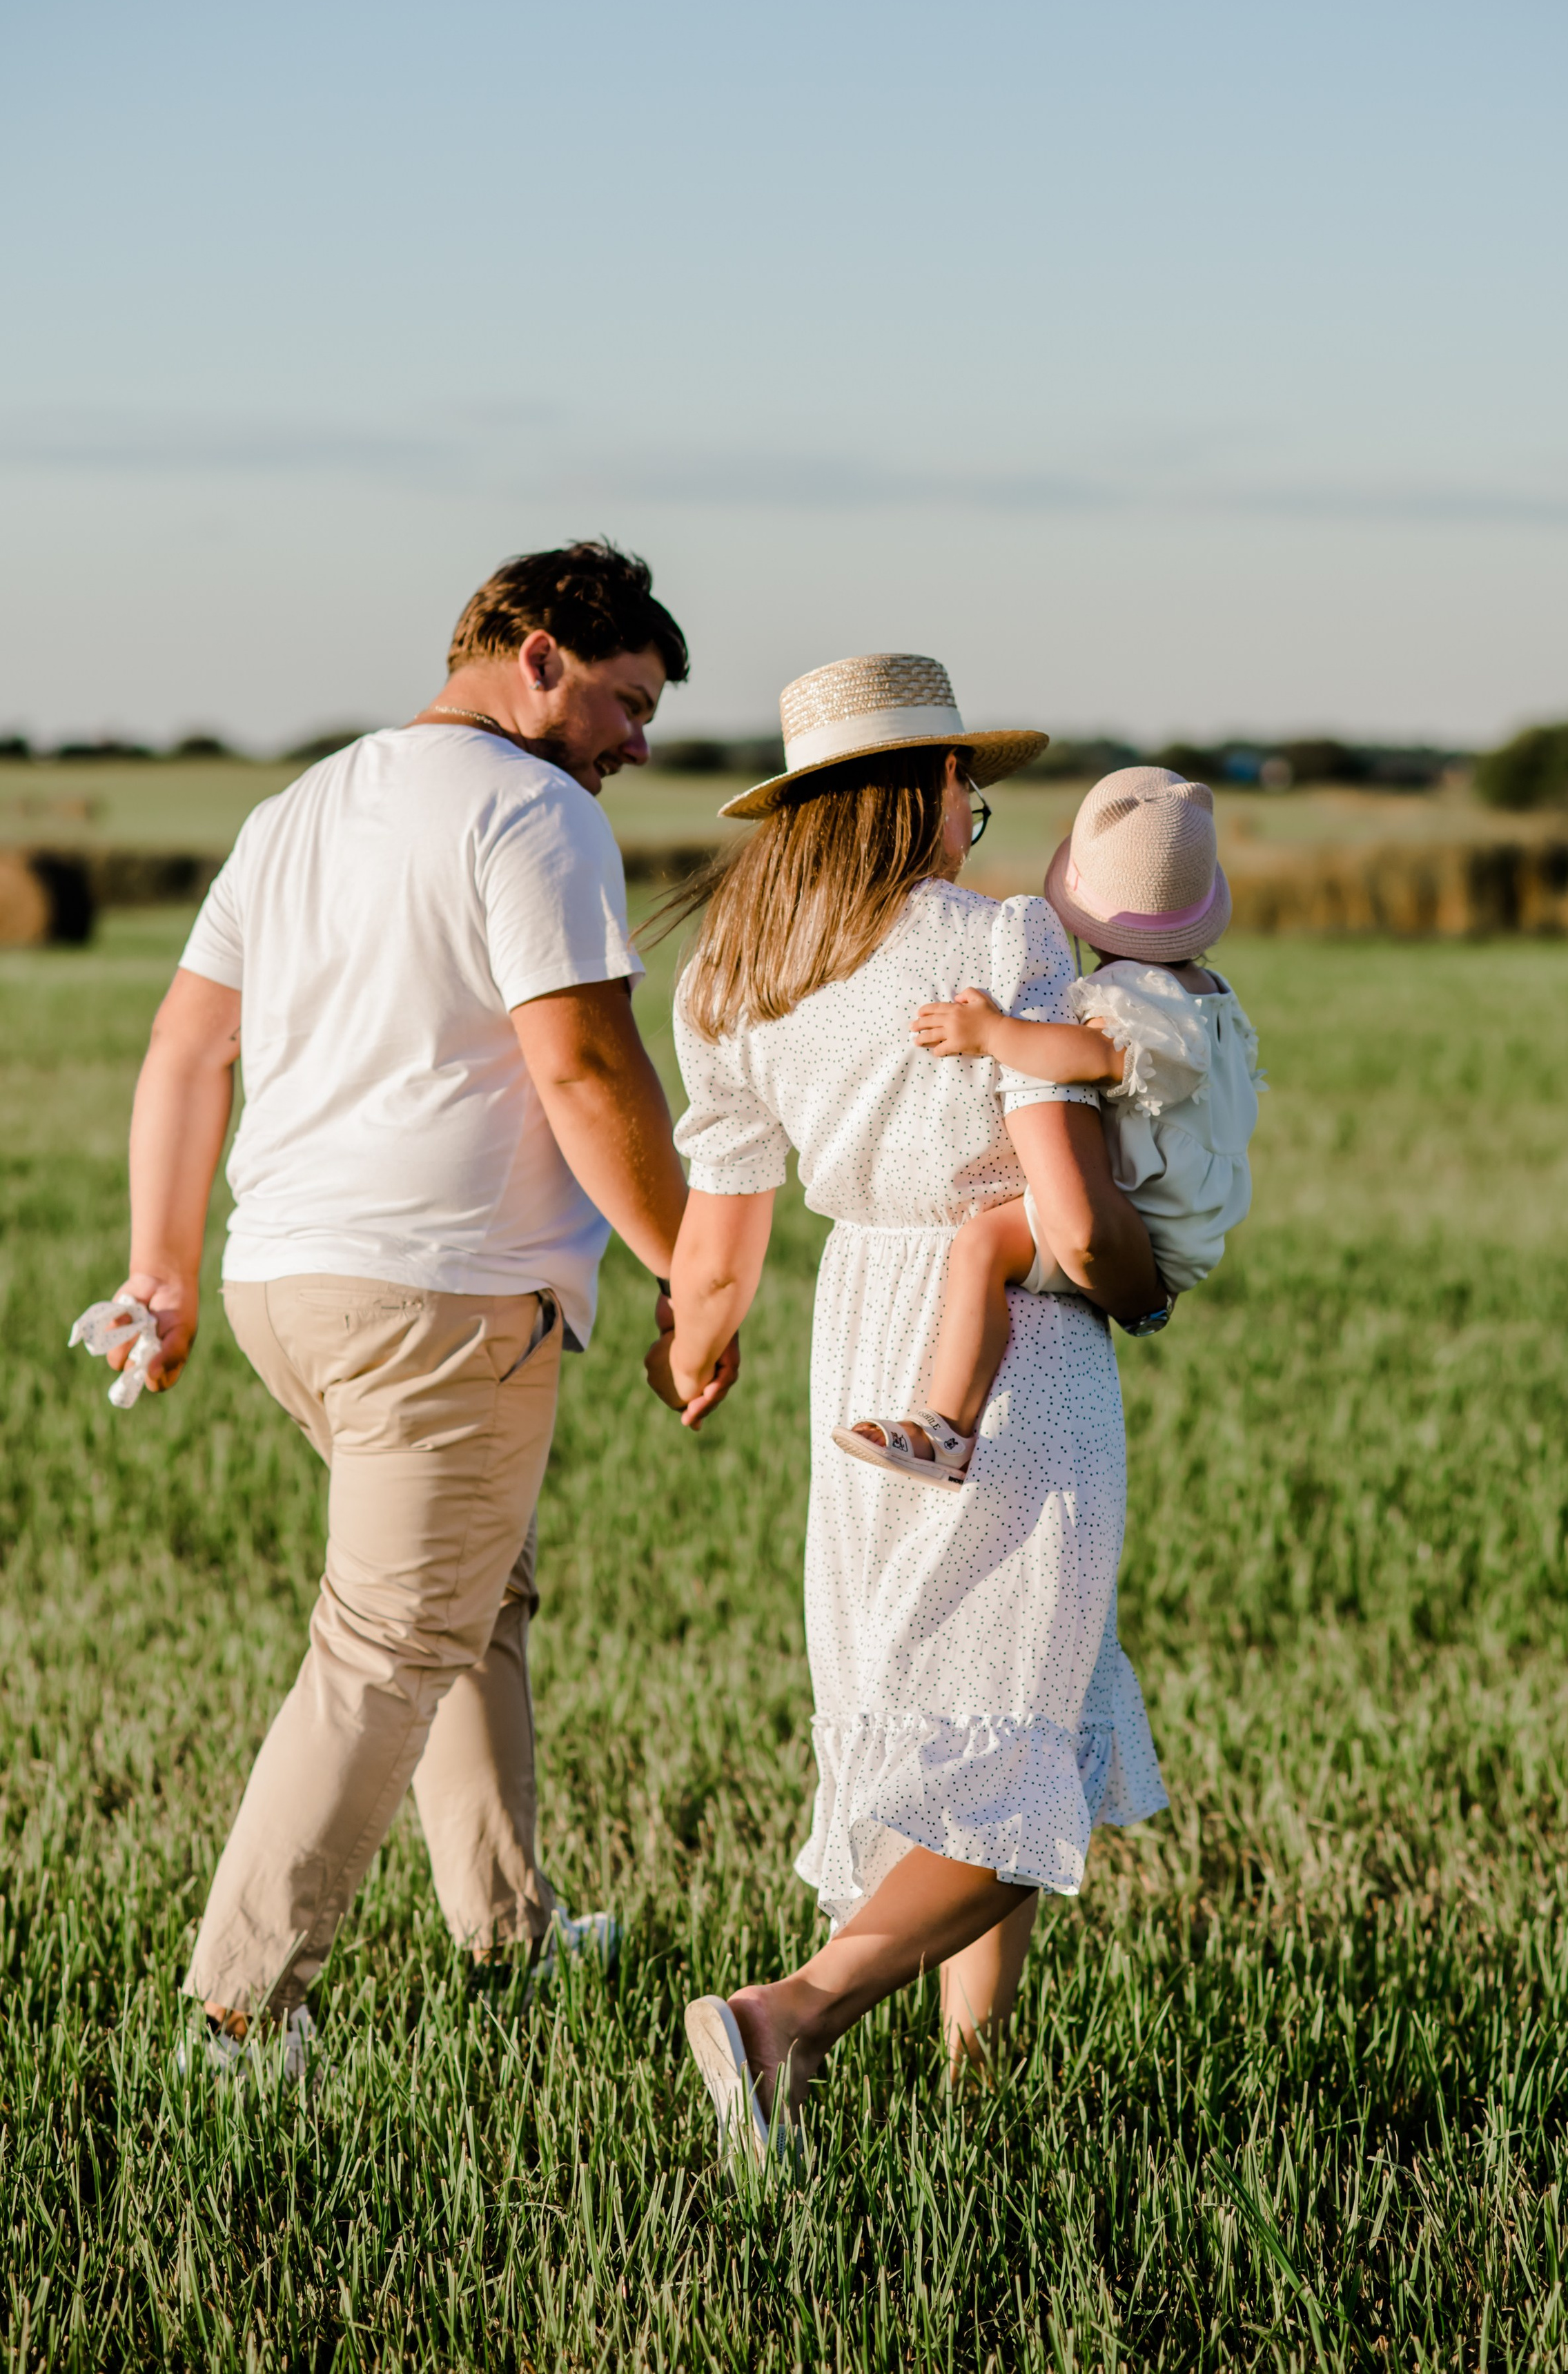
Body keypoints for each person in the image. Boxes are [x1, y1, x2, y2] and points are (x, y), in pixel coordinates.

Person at [113, 540, 733, 2074]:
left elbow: (190, 1052)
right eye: (625, 701)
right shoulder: (533, 813)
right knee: (391, 1640)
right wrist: (688, 1274)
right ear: (534, 654)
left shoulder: (299, 806)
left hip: (287, 1286)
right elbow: (585, 1068)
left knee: (473, 1597)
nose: (637, 745)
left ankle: (507, 1924)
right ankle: (243, 2009)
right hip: (442, 1303)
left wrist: (165, 1272)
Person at [651, 653, 1170, 2160]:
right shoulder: (996, 937)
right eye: (966, 784)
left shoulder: (730, 973)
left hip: (861, 1337)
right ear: (925, 794)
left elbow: (724, 1223)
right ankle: (785, 2016)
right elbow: (1065, 1214)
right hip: (1008, 1334)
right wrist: (1138, 1287)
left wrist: (699, 1347)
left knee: (967, 1704)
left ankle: (974, 2082)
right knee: (1023, 1720)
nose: (976, 811)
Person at [836, 767, 1264, 1487]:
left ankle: (946, 1427)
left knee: (980, 1245)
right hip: (1188, 1216)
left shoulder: (1133, 996)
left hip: (1148, 1220)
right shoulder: (1207, 993)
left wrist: (992, 1031)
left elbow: (1095, 1057)